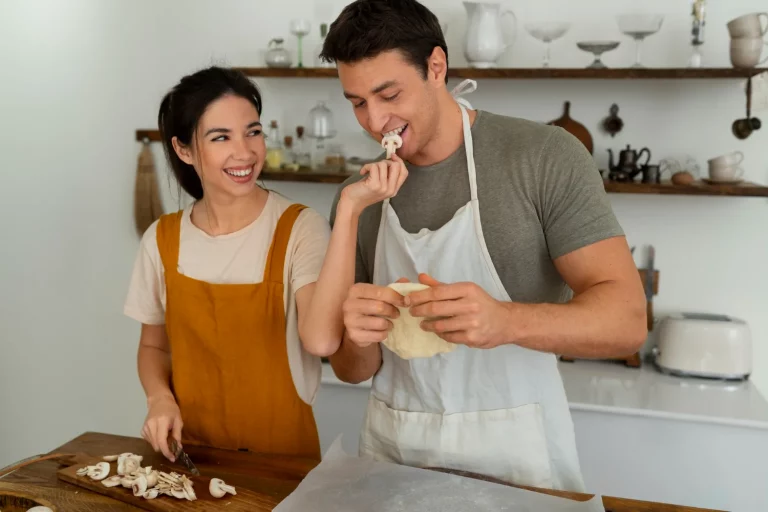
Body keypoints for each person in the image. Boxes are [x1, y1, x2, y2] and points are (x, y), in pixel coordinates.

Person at [320, 0, 647, 492]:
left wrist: (506, 320)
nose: (375, 121)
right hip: (396, 463)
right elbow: (352, 369)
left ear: (436, 66)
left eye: (389, 94)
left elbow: (627, 322)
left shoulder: (543, 156)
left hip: (518, 465)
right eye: (357, 102)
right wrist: (358, 334)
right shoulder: (361, 194)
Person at [123, 66, 407, 462]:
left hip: (281, 464)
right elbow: (154, 345)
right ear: (184, 150)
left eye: (253, 132)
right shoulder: (162, 239)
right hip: (188, 460)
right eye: (220, 137)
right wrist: (158, 399)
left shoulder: (299, 228)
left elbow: (322, 341)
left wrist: (350, 209)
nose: (245, 152)